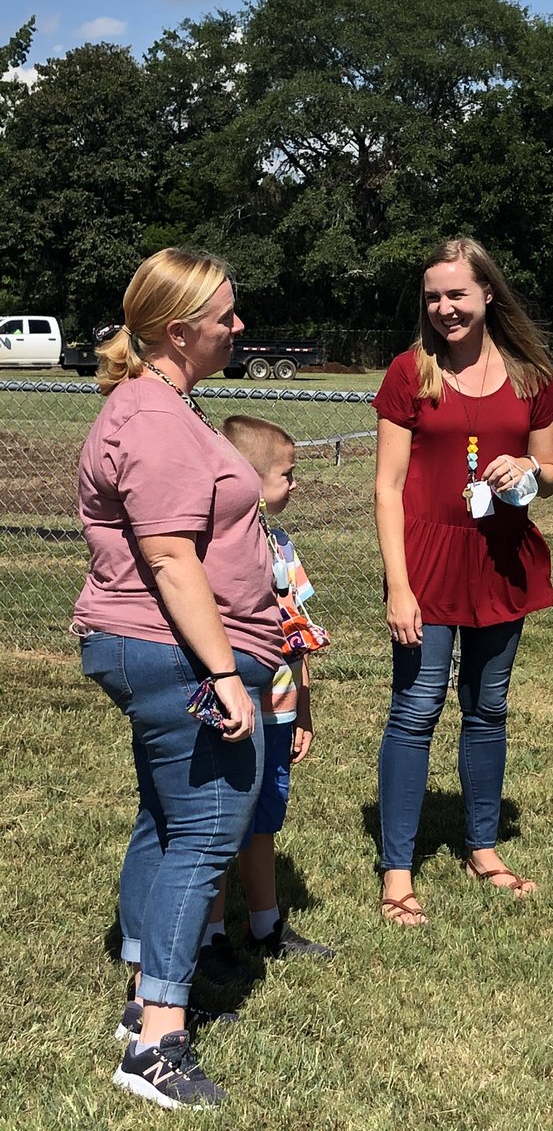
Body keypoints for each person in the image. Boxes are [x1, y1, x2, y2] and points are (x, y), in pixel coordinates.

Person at [74, 248, 283, 1109]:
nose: (239, 326)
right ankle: (158, 1042)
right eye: (226, 316)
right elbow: (167, 557)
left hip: (159, 648)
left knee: (165, 823)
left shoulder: (163, 405)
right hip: (180, 652)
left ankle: (138, 1001)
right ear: (178, 331)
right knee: (204, 832)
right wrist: (225, 674)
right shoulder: (155, 419)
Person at [373, 236, 553, 925]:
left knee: (487, 708)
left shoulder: (531, 375)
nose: (445, 308)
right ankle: (398, 872)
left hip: (501, 560)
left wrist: (526, 471)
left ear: (488, 295)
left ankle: (483, 848)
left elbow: (552, 469)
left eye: (457, 294)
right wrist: (400, 585)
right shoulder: (409, 373)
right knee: (416, 709)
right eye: (433, 297)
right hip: (426, 564)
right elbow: (388, 487)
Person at [197, 414, 335, 979]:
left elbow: (298, 633)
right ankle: (209, 939)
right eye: (287, 473)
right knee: (218, 822)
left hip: (278, 711)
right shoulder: (214, 547)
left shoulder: (281, 545)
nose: (295, 483)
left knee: (263, 819)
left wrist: (302, 706)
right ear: (248, 480)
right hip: (234, 710)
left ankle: (266, 924)